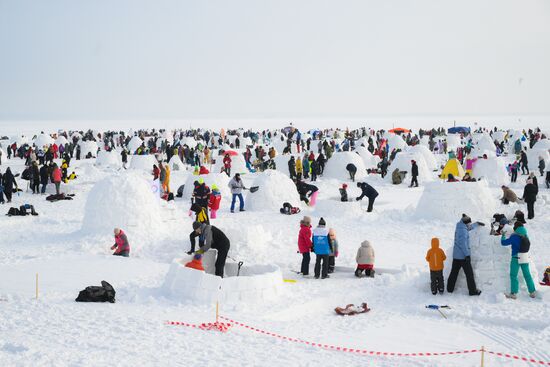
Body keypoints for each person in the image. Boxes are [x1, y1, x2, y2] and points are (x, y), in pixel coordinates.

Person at [447, 214, 483, 296]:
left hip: (456, 255)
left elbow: (468, 228)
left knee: (454, 273)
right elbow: (463, 243)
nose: (469, 225)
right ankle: (472, 291)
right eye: (469, 223)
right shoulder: (463, 231)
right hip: (463, 256)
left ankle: (449, 289)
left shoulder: (460, 227)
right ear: (466, 223)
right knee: (469, 274)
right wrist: (467, 255)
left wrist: (476, 224)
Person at [500, 222, 536, 299]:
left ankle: (513, 293)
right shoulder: (525, 235)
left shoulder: (514, 237)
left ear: (515, 228)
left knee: (513, 275)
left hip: (516, 258)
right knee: (527, 275)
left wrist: (503, 235)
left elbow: (503, 243)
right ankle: (532, 292)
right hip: (525, 257)